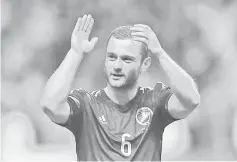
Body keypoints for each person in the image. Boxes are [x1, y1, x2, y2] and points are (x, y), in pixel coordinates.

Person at [40, 14, 200, 161]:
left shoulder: (155, 101)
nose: (116, 66)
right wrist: (75, 52)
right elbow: (50, 105)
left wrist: (160, 54)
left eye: (126, 59)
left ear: (144, 65)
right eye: (111, 57)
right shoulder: (86, 105)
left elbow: (191, 100)